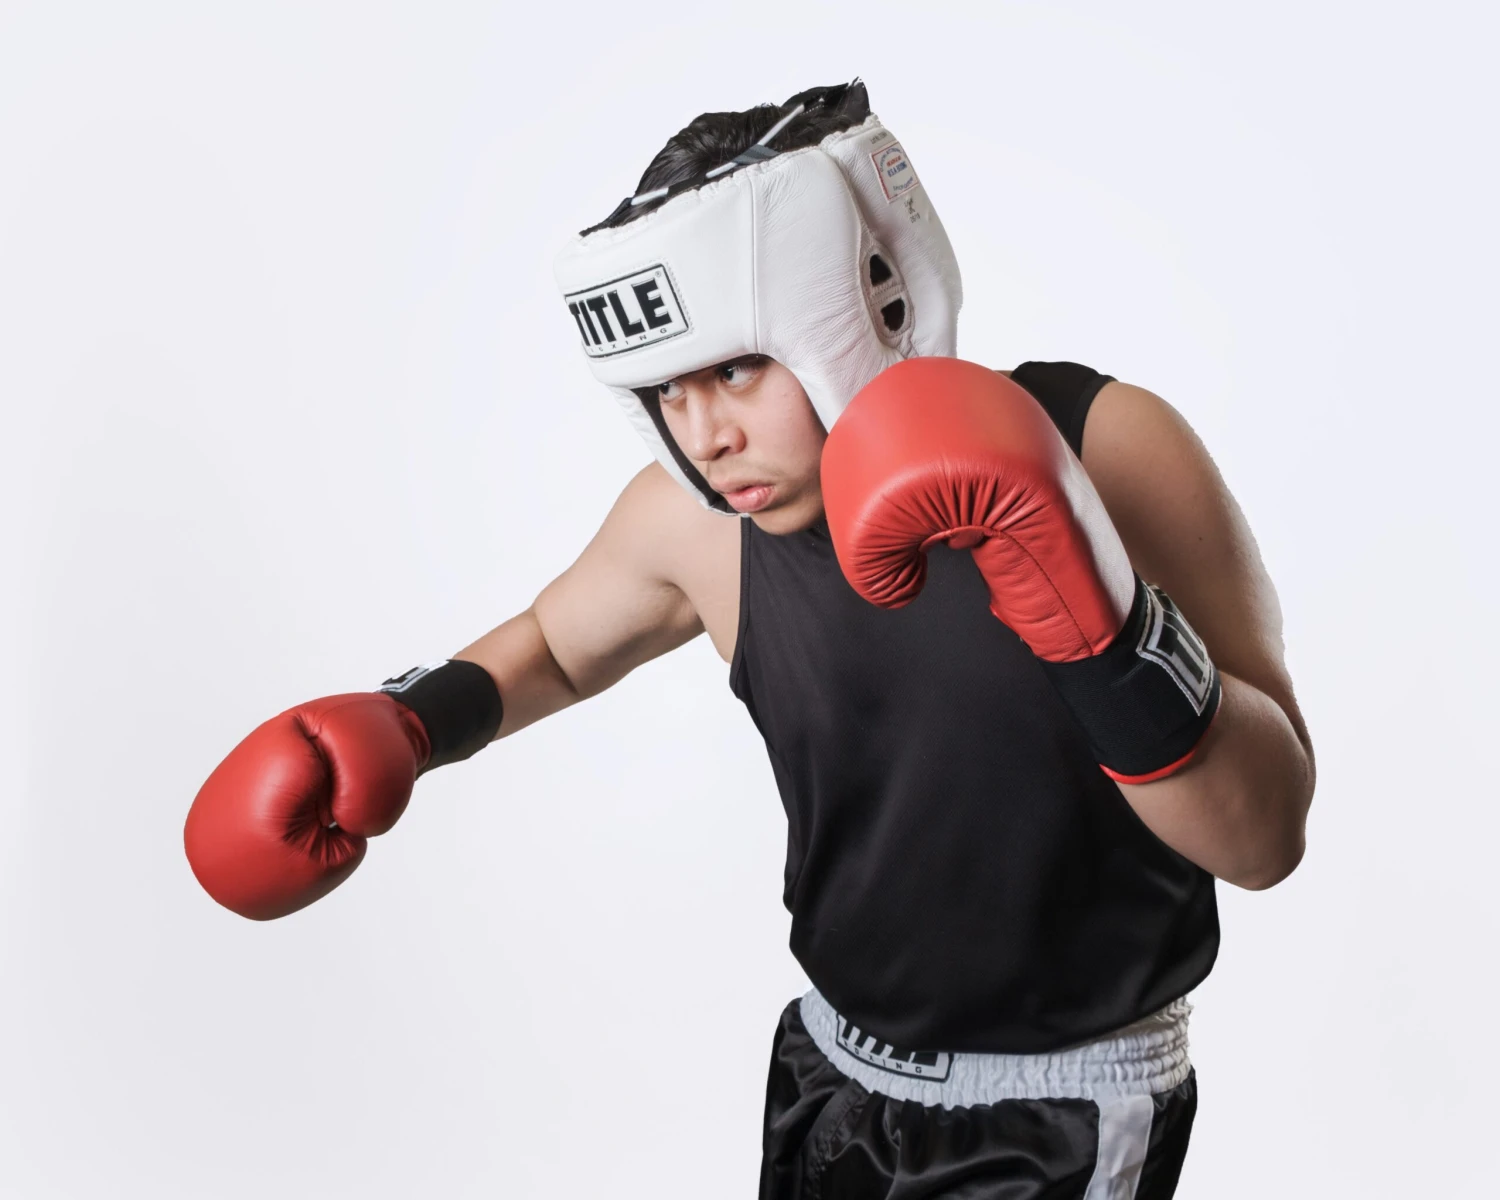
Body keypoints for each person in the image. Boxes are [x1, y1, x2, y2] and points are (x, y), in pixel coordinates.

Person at [185, 81, 1314, 1198]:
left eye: (735, 368)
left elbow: (1264, 841)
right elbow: (557, 646)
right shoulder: (696, 525)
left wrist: (1101, 628)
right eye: (668, 390)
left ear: (870, 300)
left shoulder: (1106, 449)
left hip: (1059, 1118)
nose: (706, 434)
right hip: (828, 1074)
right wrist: (407, 724)